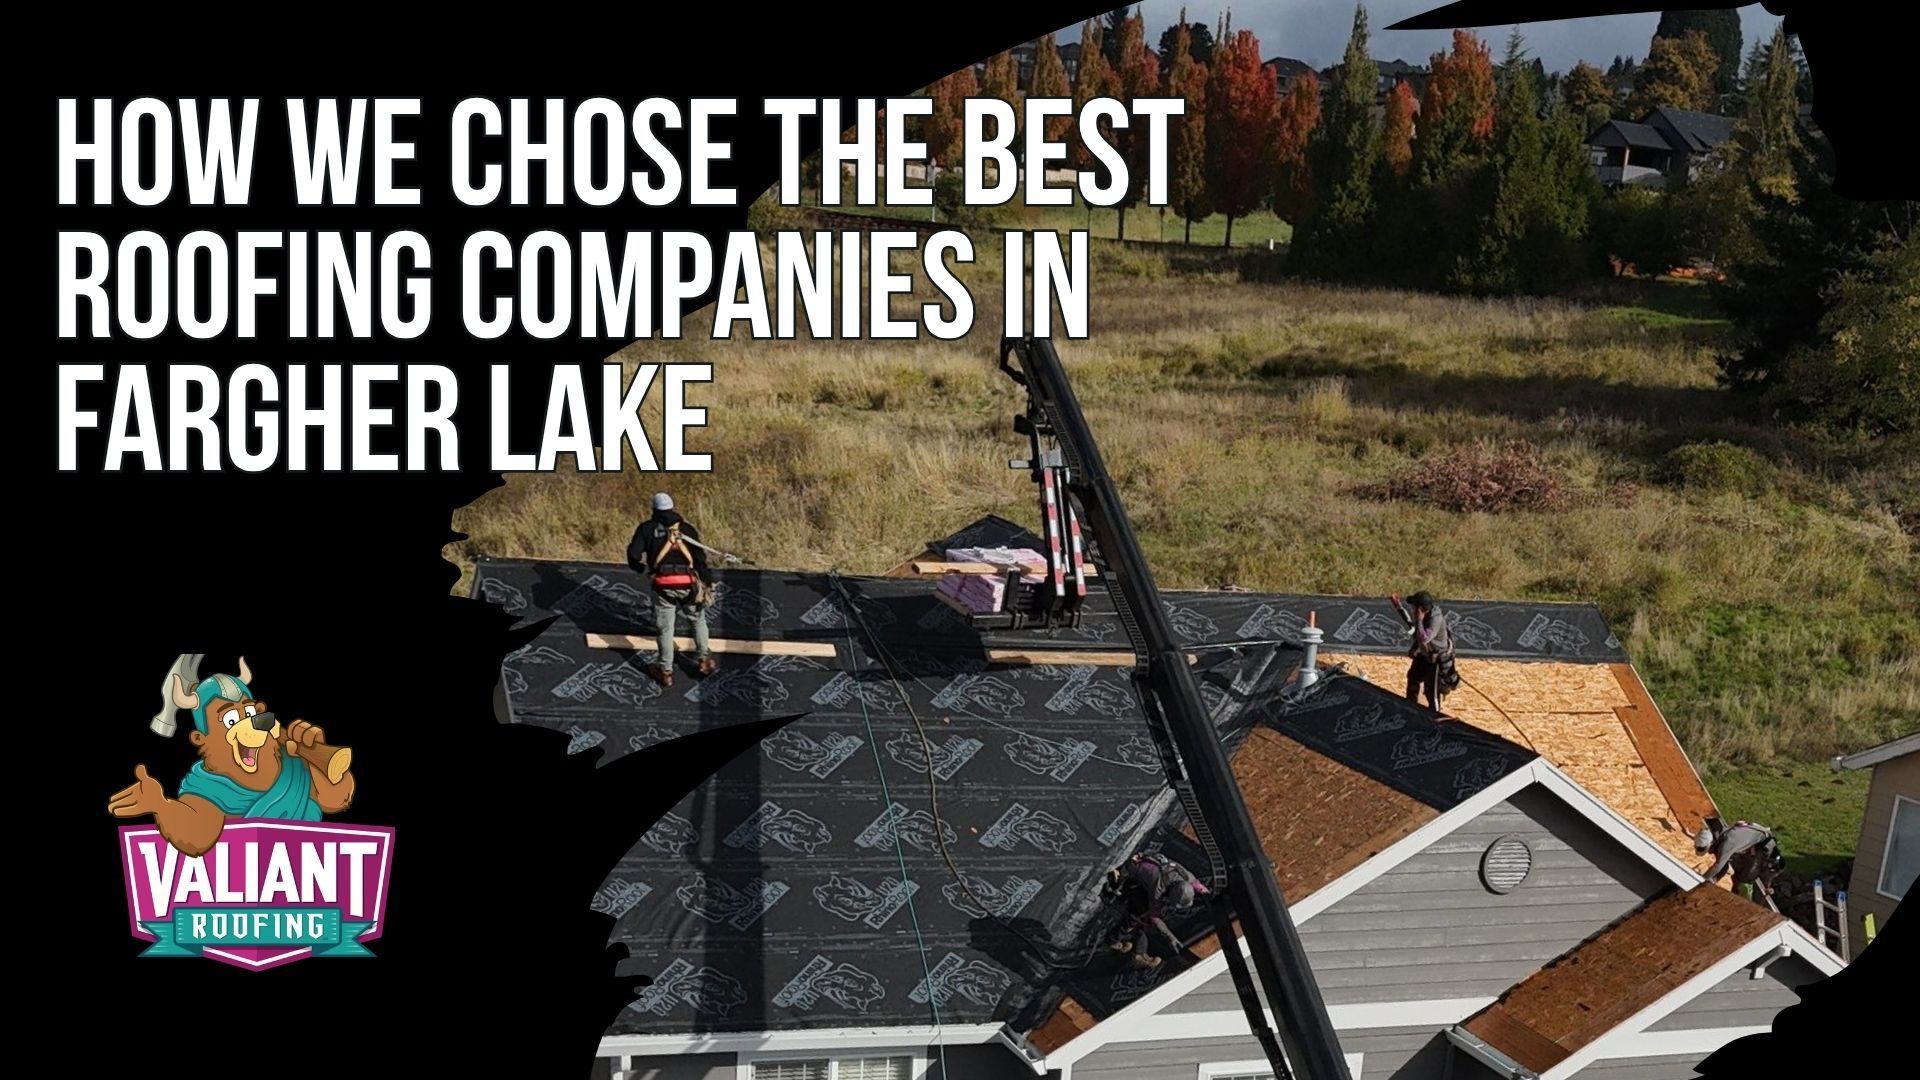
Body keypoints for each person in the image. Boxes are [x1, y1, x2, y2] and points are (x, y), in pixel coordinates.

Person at [627, 492, 716, 687]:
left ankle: (665, 671)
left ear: (654, 509)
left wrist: (641, 568)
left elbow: (633, 554)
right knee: (697, 620)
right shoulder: (687, 530)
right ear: (672, 508)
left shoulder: (646, 529)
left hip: (663, 586)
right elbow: (700, 559)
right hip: (689, 585)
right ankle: (704, 659)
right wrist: (707, 581)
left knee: (666, 628)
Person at [1105, 852, 1208, 970]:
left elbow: (1196, 884)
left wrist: (1206, 893)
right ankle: (1117, 943)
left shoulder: (1184, 876)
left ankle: (1132, 946)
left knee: (1143, 915)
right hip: (1128, 876)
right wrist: (1171, 937)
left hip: (1144, 865)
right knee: (1139, 912)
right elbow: (1155, 917)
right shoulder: (1158, 888)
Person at [1696, 820, 1784, 904]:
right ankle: (1734, 900)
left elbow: (1718, 866)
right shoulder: (1723, 836)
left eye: (1708, 850)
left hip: (1762, 848)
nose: (1709, 852)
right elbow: (1723, 866)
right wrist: (1711, 880)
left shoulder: (1727, 843)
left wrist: (1701, 880)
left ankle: (1745, 906)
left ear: (1711, 843)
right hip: (1755, 846)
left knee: (1744, 881)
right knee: (1737, 875)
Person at [1399, 591, 1458, 711]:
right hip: (1425, 654)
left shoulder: (1435, 620)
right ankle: (1410, 707)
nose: (1412, 610)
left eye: (1414, 607)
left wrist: (1419, 619)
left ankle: (1435, 716)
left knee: (1431, 691)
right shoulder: (1425, 616)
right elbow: (1418, 635)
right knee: (1413, 677)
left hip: (1436, 659)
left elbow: (1424, 638)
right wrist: (1414, 648)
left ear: (1421, 609)